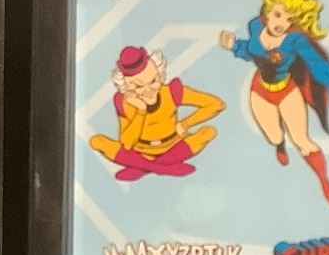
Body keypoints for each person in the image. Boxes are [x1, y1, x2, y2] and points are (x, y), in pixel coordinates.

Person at [220, 0, 329, 208]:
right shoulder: (255, 26)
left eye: (289, 19)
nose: (281, 24)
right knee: (275, 136)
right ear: (268, 11)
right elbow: (251, 51)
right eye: (278, 15)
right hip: (261, 91)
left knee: (302, 141)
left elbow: (320, 67)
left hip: (287, 90)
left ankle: (324, 182)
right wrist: (234, 46)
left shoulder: (295, 40)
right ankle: (279, 146)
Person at [87, 46, 225, 181]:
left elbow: (217, 104)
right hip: (140, 152)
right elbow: (127, 144)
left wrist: (186, 123)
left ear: (160, 75)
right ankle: (163, 168)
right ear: (125, 87)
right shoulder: (123, 102)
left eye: (153, 81)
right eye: (138, 86)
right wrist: (141, 112)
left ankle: (141, 167)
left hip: (173, 146)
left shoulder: (172, 92)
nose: (149, 90)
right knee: (97, 141)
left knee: (209, 132)